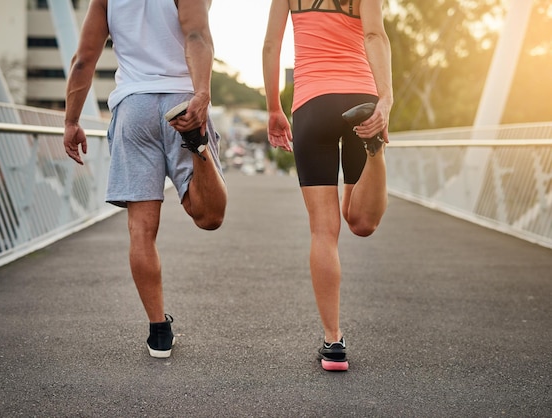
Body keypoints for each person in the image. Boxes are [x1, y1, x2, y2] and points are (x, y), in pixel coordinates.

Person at [63, 0, 227, 359]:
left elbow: (83, 59)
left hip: (133, 107)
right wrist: (201, 94)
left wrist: (71, 121)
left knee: (141, 229)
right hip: (181, 102)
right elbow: (197, 34)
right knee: (209, 217)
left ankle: (158, 332)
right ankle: (198, 150)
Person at [262, 0, 393, 371]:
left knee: (324, 230)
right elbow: (374, 34)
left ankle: (333, 342)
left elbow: (272, 44)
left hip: (312, 102)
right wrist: (386, 99)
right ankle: (374, 150)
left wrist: (274, 107)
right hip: (362, 99)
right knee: (362, 223)